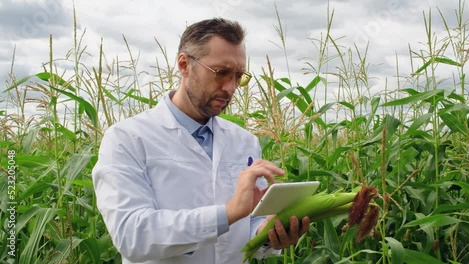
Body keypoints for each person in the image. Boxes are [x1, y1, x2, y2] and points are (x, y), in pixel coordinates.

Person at [92, 18, 310, 264]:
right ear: (184, 65)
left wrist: (267, 234)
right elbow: (132, 236)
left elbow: (248, 222)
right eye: (221, 73)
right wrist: (226, 214)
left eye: (238, 76)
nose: (230, 88)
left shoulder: (245, 142)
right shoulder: (126, 139)